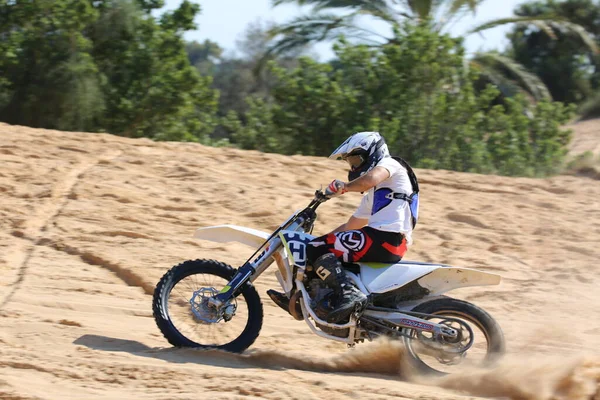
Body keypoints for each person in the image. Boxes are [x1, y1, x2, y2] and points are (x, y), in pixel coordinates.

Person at [268, 131, 415, 323]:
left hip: (386, 238)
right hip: (383, 240)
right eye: (350, 162)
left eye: (356, 159)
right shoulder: (373, 194)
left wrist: (344, 187)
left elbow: (370, 178)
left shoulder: (391, 164)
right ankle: (311, 299)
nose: (353, 165)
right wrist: (321, 241)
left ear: (373, 152)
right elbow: (351, 225)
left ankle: (349, 295)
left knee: (314, 249)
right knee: (315, 248)